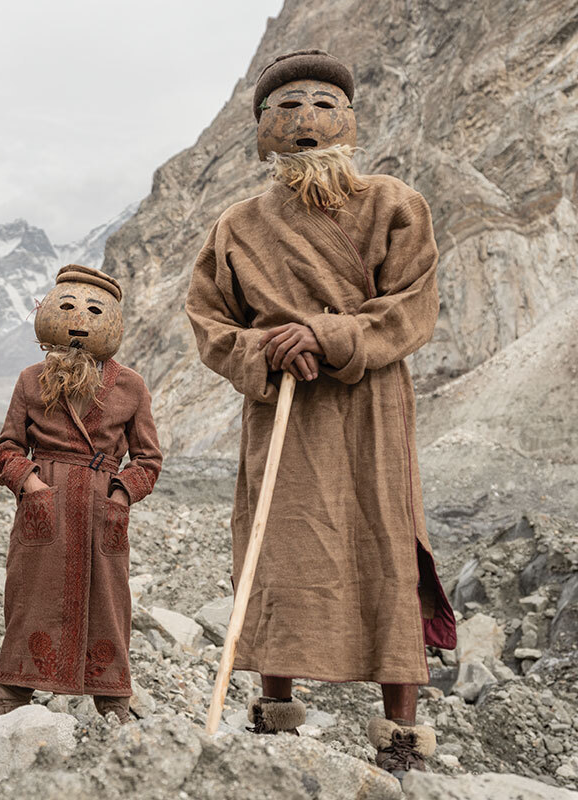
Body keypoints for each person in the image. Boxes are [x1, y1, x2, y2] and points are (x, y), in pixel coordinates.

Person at [185, 50, 456, 778]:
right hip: (284, 411)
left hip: (369, 406)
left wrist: (330, 334)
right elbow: (210, 321)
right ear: (264, 131)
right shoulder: (238, 226)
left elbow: (412, 305)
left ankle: (400, 731)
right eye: (287, 108)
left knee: (385, 545)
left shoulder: (396, 205)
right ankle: (276, 715)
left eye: (323, 104)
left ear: (351, 122)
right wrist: (266, 348)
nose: (306, 119)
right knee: (283, 547)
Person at [0, 264, 163, 722]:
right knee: (29, 595)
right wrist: (30, 482)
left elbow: (148, 460)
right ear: (49, 313)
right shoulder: (31, 379)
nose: (79, 318)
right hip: (44, 508)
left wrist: (121, 495)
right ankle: (12, 697)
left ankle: (112, 701)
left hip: (100, 509)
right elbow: (7, 447)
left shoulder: (131, 386)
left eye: (92, 311)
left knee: (109, 600)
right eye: (67, 307)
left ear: (110, 321)